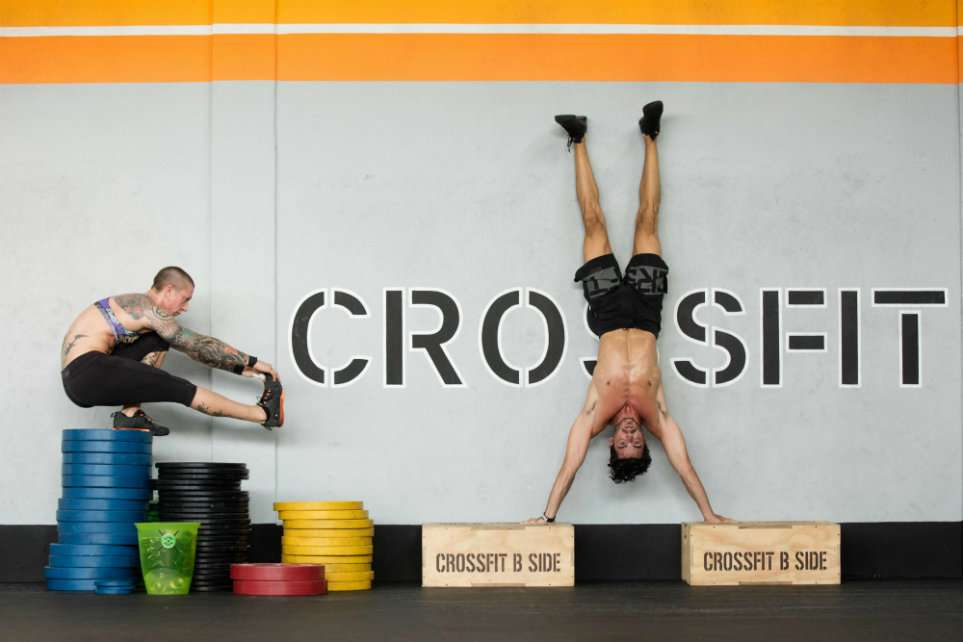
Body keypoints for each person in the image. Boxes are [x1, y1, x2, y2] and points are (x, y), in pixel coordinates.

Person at [530, 102, 729, 524]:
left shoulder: (594, 411)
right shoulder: (657, 413)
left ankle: (578, 139)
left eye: (623, 444)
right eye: (637, 443)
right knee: (648, 221)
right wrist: (709, 516)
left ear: (612, 445)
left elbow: (570, 466)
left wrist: (547, 517)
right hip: (645, 310)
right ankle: (649, 137)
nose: (629, 436)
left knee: (592, 222)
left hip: (605, 311)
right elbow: (684, 465)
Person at [60, 266, 283, 436]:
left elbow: (195, 351)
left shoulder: (141, 315)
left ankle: (130, 414)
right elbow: (195, 344)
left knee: (157, 339)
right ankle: (263, 414)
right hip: (87, 372)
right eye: (185, 299)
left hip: (85, 374)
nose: (185, 307)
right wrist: (254, 362)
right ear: (168, 290)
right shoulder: (145, 307)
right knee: (178, 388)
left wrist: (242, 369)